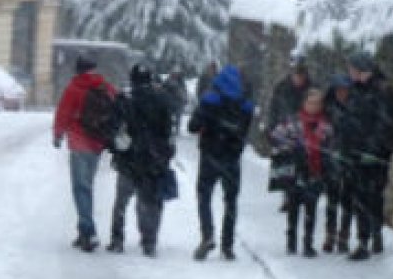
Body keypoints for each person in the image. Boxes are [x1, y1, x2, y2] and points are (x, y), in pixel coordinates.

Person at [342, 52, 393, 261]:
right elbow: (350, 120)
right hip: (357, 153)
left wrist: (373, 148)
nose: (350, 72)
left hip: (375, 155)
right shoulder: (356, 90)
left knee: (371, 195)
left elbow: (385, 123)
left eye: (352, 68)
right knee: (362, 196)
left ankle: (370, 237)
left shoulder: (382, 91)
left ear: (363, 70)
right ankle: (368, 237)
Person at [187, 64, 255, 261]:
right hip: (232, 157)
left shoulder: (209, 100)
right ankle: (228, 245)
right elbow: (245, 131)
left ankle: (207, 235)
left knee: (204, 196)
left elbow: (193, 126)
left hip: (210, 155)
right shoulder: (245, 105)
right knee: (231, 201)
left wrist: (207, 124)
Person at [107, 64, 175, 257]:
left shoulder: (125, 100)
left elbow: (114, 127)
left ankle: (117, 239)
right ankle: (149, 240)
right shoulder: (162, 100)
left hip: (128, 158)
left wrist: (116, 147)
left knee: (121, 201)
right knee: (150, 201)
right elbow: (168, 130)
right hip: (153, 159)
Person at [52, 56, 118, 252]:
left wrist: (57, 134)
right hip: (97, 143)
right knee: (87, 185)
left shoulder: (74, 88)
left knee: (81, 188)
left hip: (79, 141)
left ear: (78, 70)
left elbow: (63, 113)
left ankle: (88, 231)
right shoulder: (105, 87)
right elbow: (117, 108)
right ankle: (83, 231)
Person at [270, 88, 333, 257]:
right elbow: (276, 137)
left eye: (318, 103)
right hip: (295, 172)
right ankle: (291, 242)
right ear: (304, 103)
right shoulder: (293, 122)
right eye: (311, 102)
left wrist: (326, 154)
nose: (314, 106)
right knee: (293, 208)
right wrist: (292, 147)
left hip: (315, 172)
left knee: (311, 209)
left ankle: (308, 244)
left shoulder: (326, 124)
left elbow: (332, 145)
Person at [267, 55, 312, 214]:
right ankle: (288, 196)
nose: (298, 77)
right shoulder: (281, 87)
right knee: (286, 165)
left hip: (306, 131)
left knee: (305, 165)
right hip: (285, 130)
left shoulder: (311, 88)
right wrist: (272, 128)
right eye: (296, 73)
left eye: (301, 74)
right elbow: (274, 108)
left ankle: (304, 195)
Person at [323, 73, 355, 253]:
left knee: (348, 199)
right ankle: (330, 234)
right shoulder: (328, 108)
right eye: (339, 90)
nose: (342, 93)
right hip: (332, 156)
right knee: (332, 198)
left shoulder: (355, 107)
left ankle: (344, 235)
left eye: (345, 90)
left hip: (349, 156)